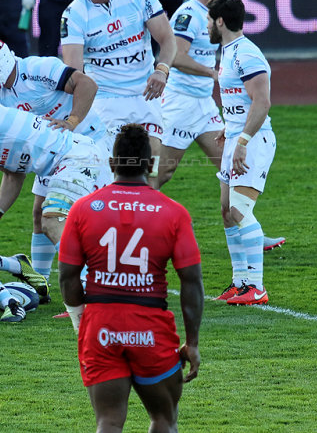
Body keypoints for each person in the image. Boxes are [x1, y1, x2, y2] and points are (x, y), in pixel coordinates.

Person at [58, 123, 203, 432]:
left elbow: (68, 278)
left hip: (101, 325)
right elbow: (191, 282)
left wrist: (88, 315)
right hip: (150, 325)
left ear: (112, 163)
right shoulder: (173, 212)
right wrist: (192, 342)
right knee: (164, 419)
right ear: (150, 164)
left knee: (108, 421)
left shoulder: (83, 209)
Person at [161, 0, 286, 252]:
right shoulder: (188, 15)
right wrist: (211, 72)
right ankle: (128, 221)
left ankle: (248, 227)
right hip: (181, 104)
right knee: (163, 172)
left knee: (233, 165)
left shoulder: (219, 22)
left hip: (205, 105)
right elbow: (175, 55)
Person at [0, 37, 106, 284]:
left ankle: (90, 285)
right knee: (39, 213)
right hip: (54, 155)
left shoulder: (37, 69)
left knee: (77, 217)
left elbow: (87, 84)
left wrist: (71, 122)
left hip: (88, 143)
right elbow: (14, 169)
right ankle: (41, 283)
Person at [0, 101, 112, 283]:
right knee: (52, 218)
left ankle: (90, 285)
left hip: (74, 157)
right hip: (64, 160)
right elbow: (14, 176)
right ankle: (42, 282)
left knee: (53, 220)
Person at [61, 0, 176, 189]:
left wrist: (161, 69)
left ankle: (144, 226)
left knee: (152, 173)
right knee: (112, 177)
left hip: (145, 94)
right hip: (104, 100)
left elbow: (167, 39)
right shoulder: (74, 14)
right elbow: (73, 72)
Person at [208, 0, 276, 305]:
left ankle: (257, 287)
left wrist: (244, 141)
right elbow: (243, 100)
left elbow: (262, 102)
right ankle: (239, 282)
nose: (208, 26)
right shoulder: (229, 52)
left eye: (211, 20)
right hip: (235, 134)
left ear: (220, 21)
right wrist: (231, 126)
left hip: (254, 140)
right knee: (226, 212)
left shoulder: (246, 54)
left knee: (239, 210)